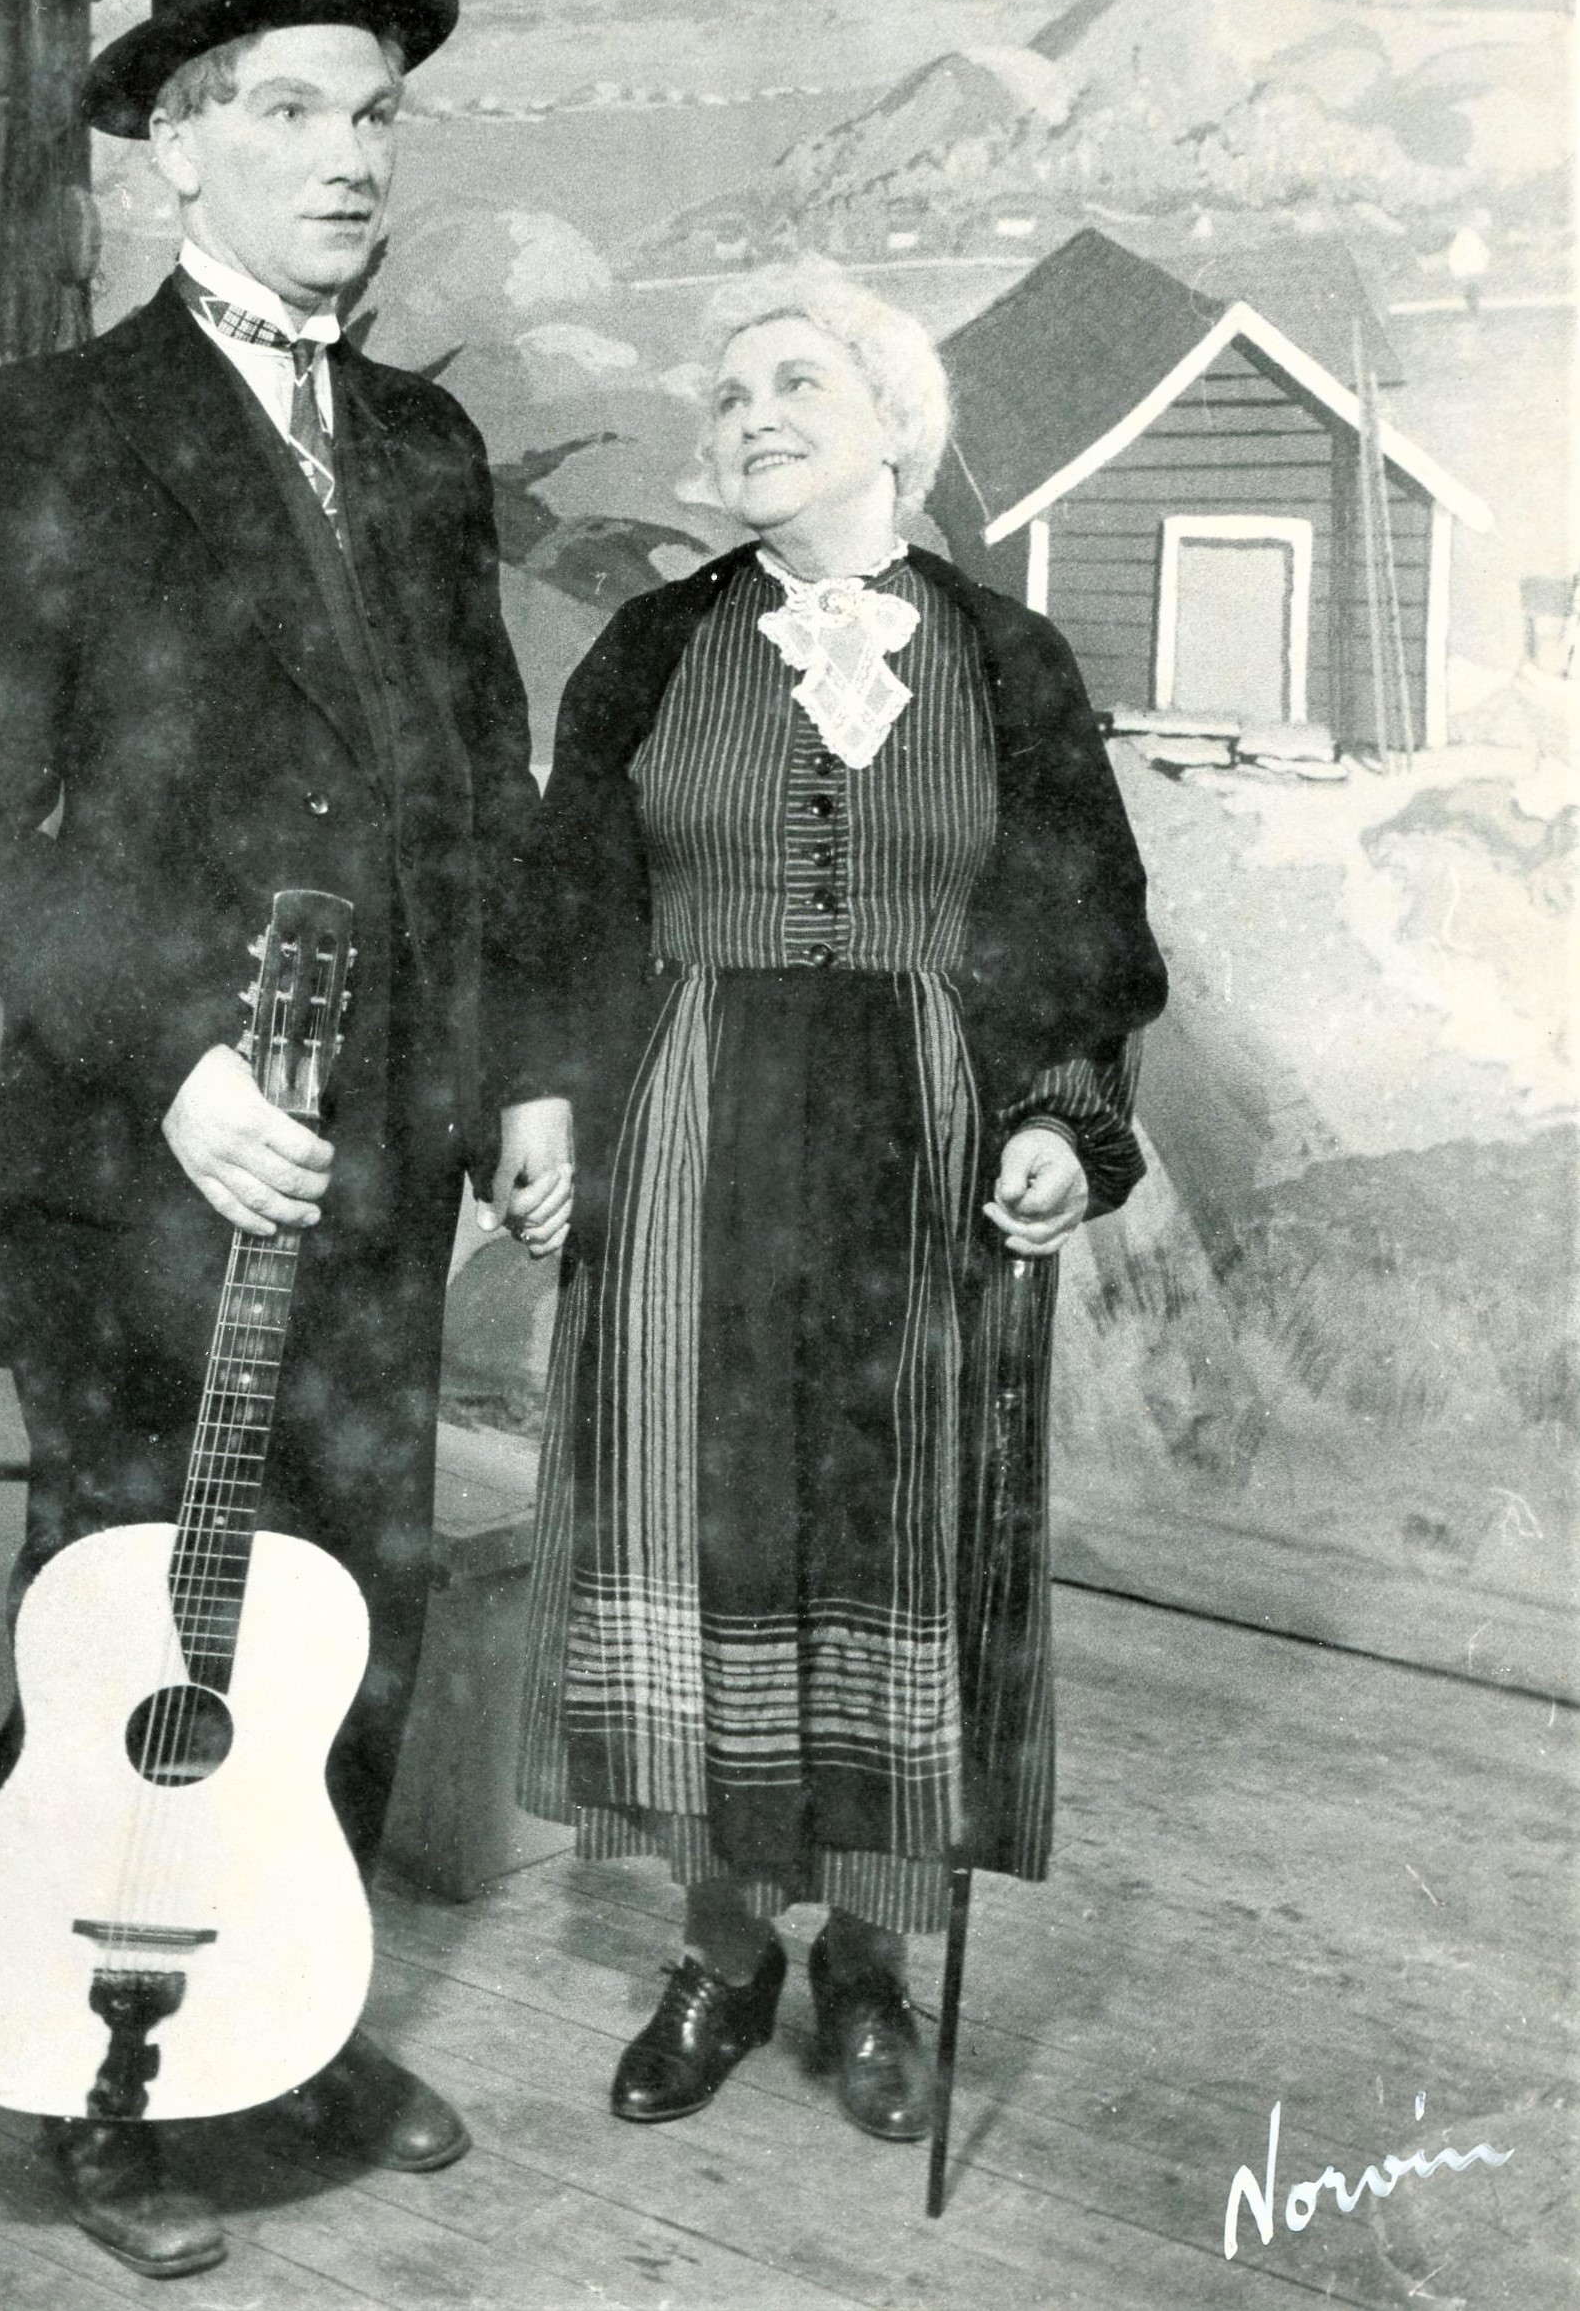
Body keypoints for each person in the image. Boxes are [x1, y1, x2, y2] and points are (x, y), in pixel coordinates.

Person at [0, 0, 571, 2280]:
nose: (351, 156)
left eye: (373, 114)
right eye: (290, 110)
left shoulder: (423, 445)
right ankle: (94, 2077)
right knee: (137, 1623)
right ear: (175, 146)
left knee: (350, 1606)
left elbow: (487, 798)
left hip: (384, 1169)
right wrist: (180, 1063)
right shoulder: (58, 434)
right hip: (144, 1172)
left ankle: (283, 2019)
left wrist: (524, 1078)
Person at [515, 258, 1167, 2145]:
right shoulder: (651, 647)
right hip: (688, 1131)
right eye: (726, 396)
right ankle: (719, 1949)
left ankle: (871, 1965)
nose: (749, 419)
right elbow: (563, 903)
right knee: (691, 1517)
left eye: (794, 383)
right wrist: (540, 1101)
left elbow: (1081, 924)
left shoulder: (1004, 658)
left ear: (895, 422)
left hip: (921, 1142)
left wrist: (1059, 1123)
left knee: (899, 1530)